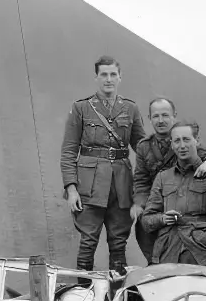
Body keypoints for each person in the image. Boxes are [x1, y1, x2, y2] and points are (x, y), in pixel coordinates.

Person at [60, 55, 146, 275]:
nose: (108, 79)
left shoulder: (130, 109)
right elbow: (69, 150)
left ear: (120, 77)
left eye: (113, 75)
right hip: (89, 186)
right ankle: (83, 293)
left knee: (118, 243)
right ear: (96, 78)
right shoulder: (81, 108)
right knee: (88, 241)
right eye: (104, 75)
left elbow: (144, 150)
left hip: (121, 185)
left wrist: (141, 193)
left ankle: (116, 295)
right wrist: (71, 189)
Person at [131, 97, 206, 262]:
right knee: (144, 227)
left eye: (165, 115)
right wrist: (139, 204)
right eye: (156, 116)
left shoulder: (182, 138)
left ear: (174, 116)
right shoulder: (144, 146)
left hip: (183, 203)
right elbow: (141, 181)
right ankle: (154, 263)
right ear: (149, 119)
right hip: (157, 205)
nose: (161, 120)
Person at [140, 119, 206, 267]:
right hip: (166, 254)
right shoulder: (163, 177)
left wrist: (203, 239)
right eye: (177, 141)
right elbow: (146, 220)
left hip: (199, 257)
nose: (182, 146)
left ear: (197, 141)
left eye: (186, 139)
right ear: (172, 144)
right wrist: (163, 219)